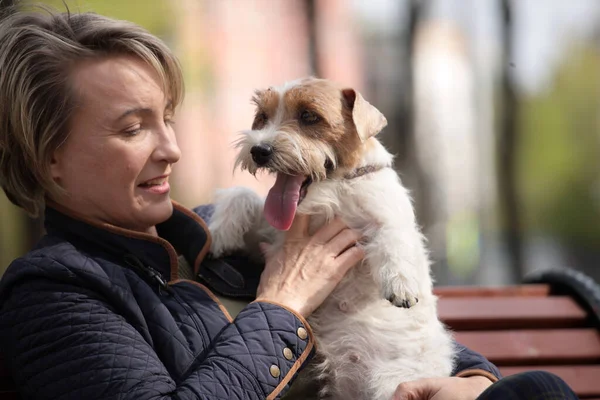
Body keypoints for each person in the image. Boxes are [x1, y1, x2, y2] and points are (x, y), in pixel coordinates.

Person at [0, 6, 577, 400]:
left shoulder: (217, 235)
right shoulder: (52, 296)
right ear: (49, 156)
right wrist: (281, 304)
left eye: (168, 120)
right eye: (133, 129)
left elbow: (404, 323)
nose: (171, 150)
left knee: (538, 391)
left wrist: (470, 379)